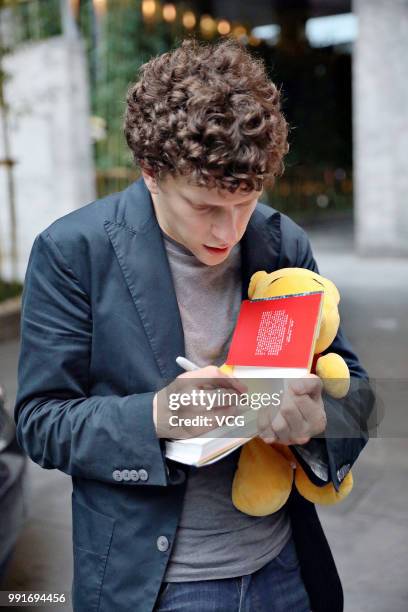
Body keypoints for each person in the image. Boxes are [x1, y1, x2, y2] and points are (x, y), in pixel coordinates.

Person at [14, 39, 373, 612]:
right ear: (151, 173)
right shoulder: (73, 251)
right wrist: (158, 414)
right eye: (205, 207)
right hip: (155, 582)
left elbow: (357, 394)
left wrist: (319, 417)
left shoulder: (281, 242)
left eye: (247, 200)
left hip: (284, 566)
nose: (229, 230)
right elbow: (40, 422)